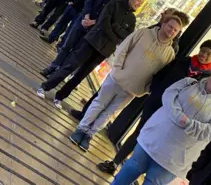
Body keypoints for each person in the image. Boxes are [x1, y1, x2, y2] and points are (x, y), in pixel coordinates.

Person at [97, 39, 211, 174]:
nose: (203, 54)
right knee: (139, 131)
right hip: (156, 102)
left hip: (173, 115)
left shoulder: (207, 79)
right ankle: (115, 162)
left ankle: (132, 171)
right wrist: (156, 91)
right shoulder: (182, 62)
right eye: (202, 50)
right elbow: (160, 75)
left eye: (208, 53)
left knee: (156, 141)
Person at [69, 15, 182, 151]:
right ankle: (81, 129)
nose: (172, 31)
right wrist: (117, 70)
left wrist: (144, 89)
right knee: (99, 103)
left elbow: (159, 76)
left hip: (133, 90)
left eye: (175, 30)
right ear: (163, 24)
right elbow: (123, 49)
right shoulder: (143, 33)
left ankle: (88, 135)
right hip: (116, 78)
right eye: (170, 26)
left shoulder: (170, 53)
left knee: (109, 113)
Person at [111, 67, 211, 185]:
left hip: (174, 161)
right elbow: (168, 96)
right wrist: (178, 116)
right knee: (126, 174)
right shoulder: (188, 83)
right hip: (151, 142)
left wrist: (187, 123)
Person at [36, 0, 146, 109]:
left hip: (104, 51)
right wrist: (115, 35)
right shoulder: (114, 3)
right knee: (70, 66)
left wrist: (114, 26)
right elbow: (103, 23)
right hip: (92, 41)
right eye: (138, 0)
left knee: (80, 75)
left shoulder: (132, 19)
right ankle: (45, 86)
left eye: (141, 3)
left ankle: (60, 97)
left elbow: (126, 37)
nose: (138, 4)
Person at [39, 0, 138, 78]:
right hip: (84, 19)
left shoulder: (125, 0)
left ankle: (58, 75)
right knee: (67, 45)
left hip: (97, 28)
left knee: (77, 53)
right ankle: (52, 66)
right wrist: (86, 14)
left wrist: (96, 21)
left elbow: (115, 18)